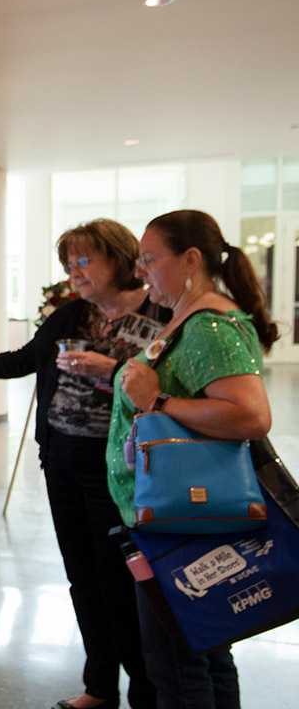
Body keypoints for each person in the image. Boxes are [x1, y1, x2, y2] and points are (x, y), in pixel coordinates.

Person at [0, 219, 167, 709]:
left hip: (124, 467)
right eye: (69, 264)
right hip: (64, 461)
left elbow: (171, 388)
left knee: (121, 581)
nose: (75, 272)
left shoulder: (161, 313)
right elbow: (22, 359)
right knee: (82, 577)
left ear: (119, 259)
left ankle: (146, 692)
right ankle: (99, 688)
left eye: (84, 261)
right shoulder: (71, 317)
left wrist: (107, 369)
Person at [109, 209, 275, 708]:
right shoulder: (190, 317)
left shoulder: (210, 326)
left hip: (183, 516)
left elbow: (249, 416)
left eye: (149, 259)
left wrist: (157, 402)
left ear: (191, 259)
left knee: (177, 665)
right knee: (205, 646)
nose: (141, 271)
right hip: (174, 511)